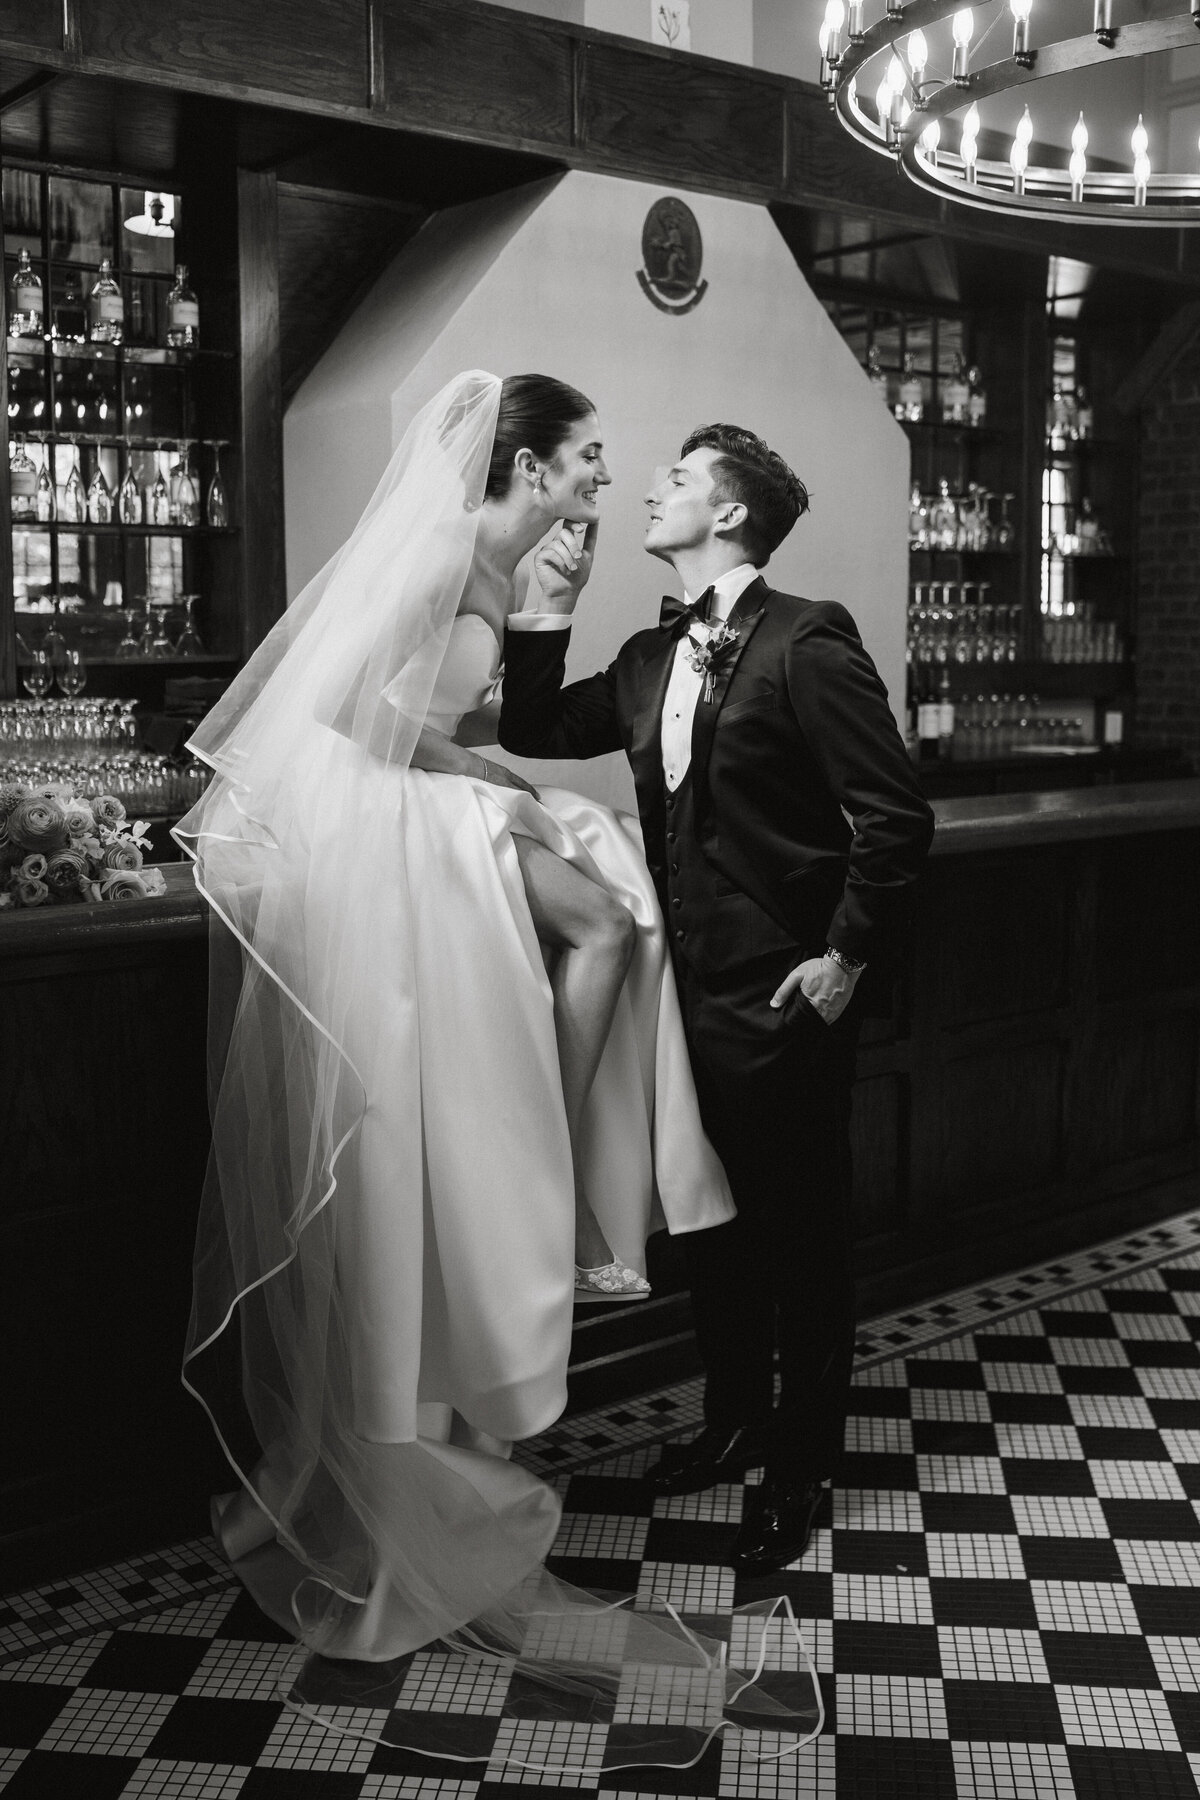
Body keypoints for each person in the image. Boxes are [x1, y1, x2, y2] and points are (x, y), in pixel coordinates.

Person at [173, 373, 741, 1697]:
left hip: (415, 813)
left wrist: (501, 761)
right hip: (377, 829)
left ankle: (542, 1156)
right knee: (600, 914)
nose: (605, 478)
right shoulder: (439, 550)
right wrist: (488, 790)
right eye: (589, 459)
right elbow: (338, 720)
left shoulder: (501, 566)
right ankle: (552, 1164)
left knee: (597, 889)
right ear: (527, 463)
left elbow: (463, 720)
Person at [499, 422, 936, 1578]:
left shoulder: (808, 640)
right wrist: (548, 603)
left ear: (730, 514)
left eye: (680, 478)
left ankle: (800, 1466)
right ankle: (732, 1421)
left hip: (789, 999)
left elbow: (894, 819)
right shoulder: (649, 658)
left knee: (803, 1244)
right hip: (684, 1001)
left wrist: (841, 960)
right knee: (717, 1231)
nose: (652, 487)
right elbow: (533, 728)